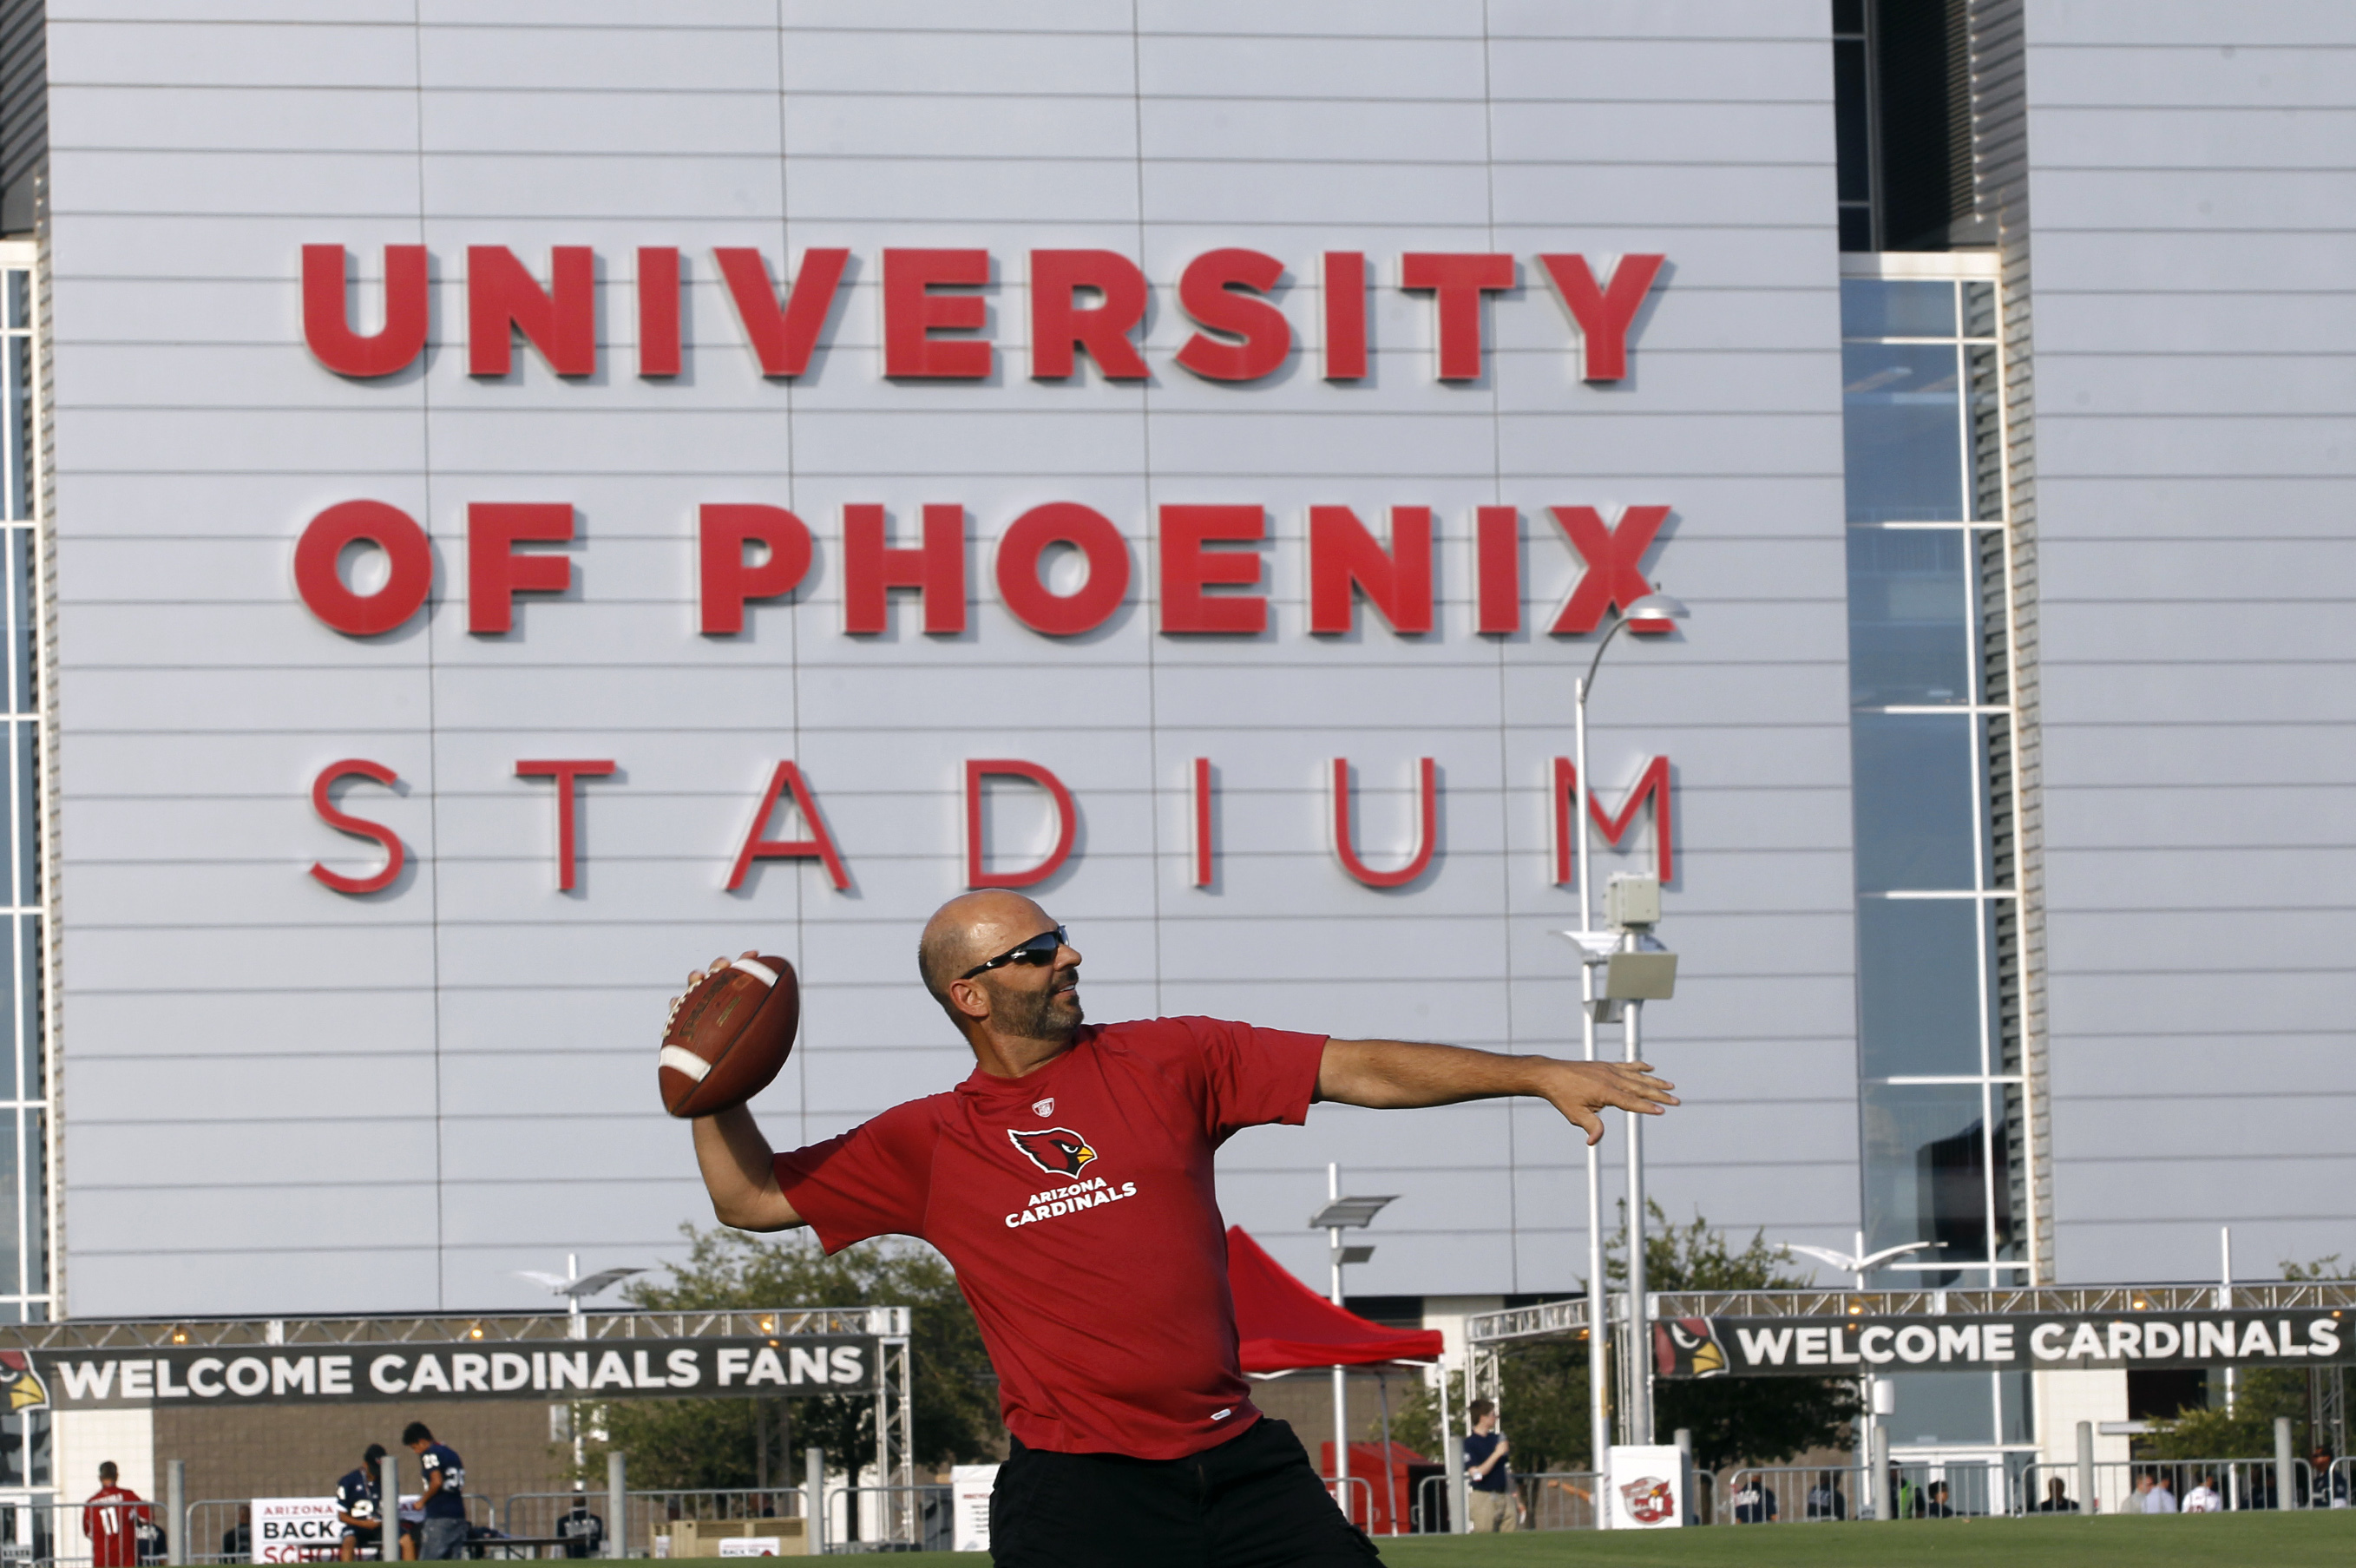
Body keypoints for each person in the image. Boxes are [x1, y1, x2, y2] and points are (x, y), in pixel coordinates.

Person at [679, 892, 1677, 1568]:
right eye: (1035, 951)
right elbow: (752, 1199)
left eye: (1060, 936)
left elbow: (1358, 1066)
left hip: (1241, 1465)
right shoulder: (928, 1139)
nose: (1068, 955)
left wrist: (1536, 1069)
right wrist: (706, 1088)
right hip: (1080, 1497)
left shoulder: (1171, 1059)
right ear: (971, 995)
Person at [403, 1423, 468, 1560]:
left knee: (429, 1561)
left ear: (422, 1442)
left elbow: (436, 1481)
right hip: (458, 1515)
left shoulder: (430, 1453)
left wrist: (422, 1501)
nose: (416, 1452)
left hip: (440, 1515)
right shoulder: (450, 1453)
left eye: (415, 1447)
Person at [338, 1444, 414, 1562]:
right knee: (348, 1543)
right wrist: (364, 1524)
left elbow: (392, 1508)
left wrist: (381, 1521)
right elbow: (342, 1516)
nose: (376, 1474)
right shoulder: (348, 1482)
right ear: (365, 1464)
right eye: (373, 1469)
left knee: (407, 1540)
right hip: (358, 1526)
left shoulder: (388, 1480)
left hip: (382, 1525)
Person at [1461, 1399, 1515, 1532]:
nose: (1496, 1417)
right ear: (1482, 1417)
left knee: (1513, 1539)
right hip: (1484, 1497)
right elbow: (1477, 1474)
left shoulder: (1496, 1439)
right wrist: (1497, 1454)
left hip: (1504, 1495)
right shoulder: (1469, 1443)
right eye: (1492, 1414)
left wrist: (1516, 1499)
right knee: (1485, 1539)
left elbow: (1506, 1470)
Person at [83, 1464, 148, 1568]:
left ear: (100, 1478)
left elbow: (88, 1532)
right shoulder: (128, 1496)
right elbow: (147, 1517)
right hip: (126, 1557)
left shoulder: (91, 1503)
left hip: (102, 1558)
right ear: (117, 1476)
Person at [553, 1494, 604, 1560]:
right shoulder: (596, 1519)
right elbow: (603, 1539)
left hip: (573, 1557)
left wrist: (555, 1558)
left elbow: (557, 1545)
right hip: (595, 1557)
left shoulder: (563, 1521)